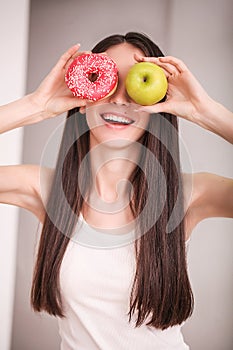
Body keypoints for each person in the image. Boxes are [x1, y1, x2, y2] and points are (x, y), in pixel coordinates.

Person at [0, 32, 232, 349]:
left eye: (136, 87)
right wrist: (35, 106)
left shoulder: (190, 194)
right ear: (82, 98)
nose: (120, 99)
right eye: (105, 82)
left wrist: (208, 113)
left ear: (160, 105)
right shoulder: (45, 190)